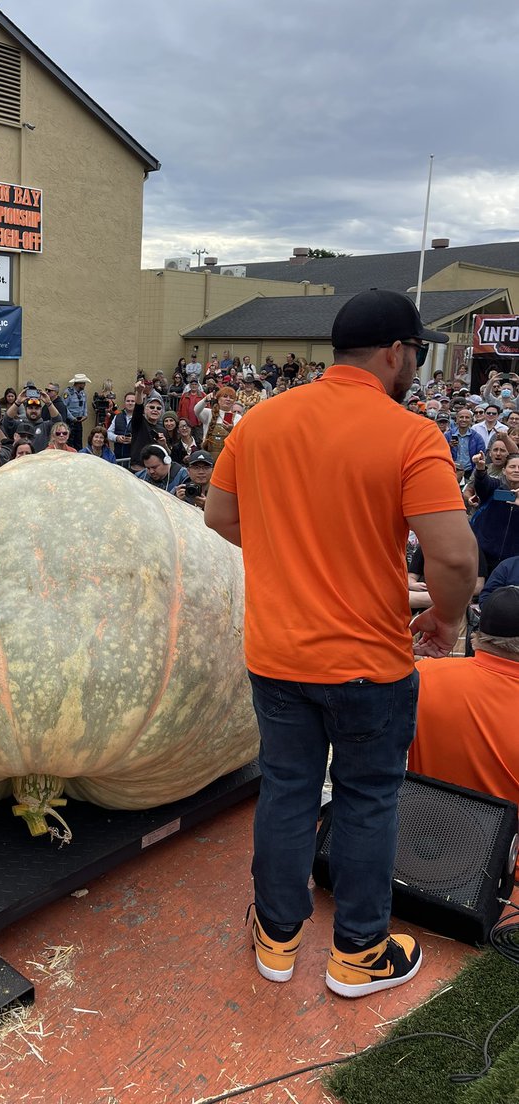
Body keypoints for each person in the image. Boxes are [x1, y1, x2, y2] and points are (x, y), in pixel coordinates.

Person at [205, 288, 478, 999]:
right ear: (395, 351)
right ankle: (358, 953)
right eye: (416, 353)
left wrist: (288, 550)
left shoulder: (261, 422)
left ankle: (275, 935)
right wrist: (445, 621)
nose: (414, 365)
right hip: (368, 665)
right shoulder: (410, 433)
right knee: (366, 799)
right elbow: (453, 559)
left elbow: (219, 515)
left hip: (277, 655)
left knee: (288, 790)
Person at [409, 587, 519, 805]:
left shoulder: (423, 676)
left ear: (478, 633)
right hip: (506, 837)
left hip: (422, 826)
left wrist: (403, 649)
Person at [468, 451, 519, 572]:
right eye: (512, 467)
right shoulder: (495, 487)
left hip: (512, 560)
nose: (516, 470)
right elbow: (483, 484)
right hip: (484, 554)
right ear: (503, 470)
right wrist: (480, 469)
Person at [64, 374, 91, 449]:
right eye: (83, 383)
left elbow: (84, 405)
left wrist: (85, 415)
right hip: (70, 421)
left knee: (78, 442)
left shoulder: (83, 393)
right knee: (70, 442)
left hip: (79, 421)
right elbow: (64, 407)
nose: (85, 385)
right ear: (79, 383)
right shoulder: (68, 393)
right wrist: (72, 418)